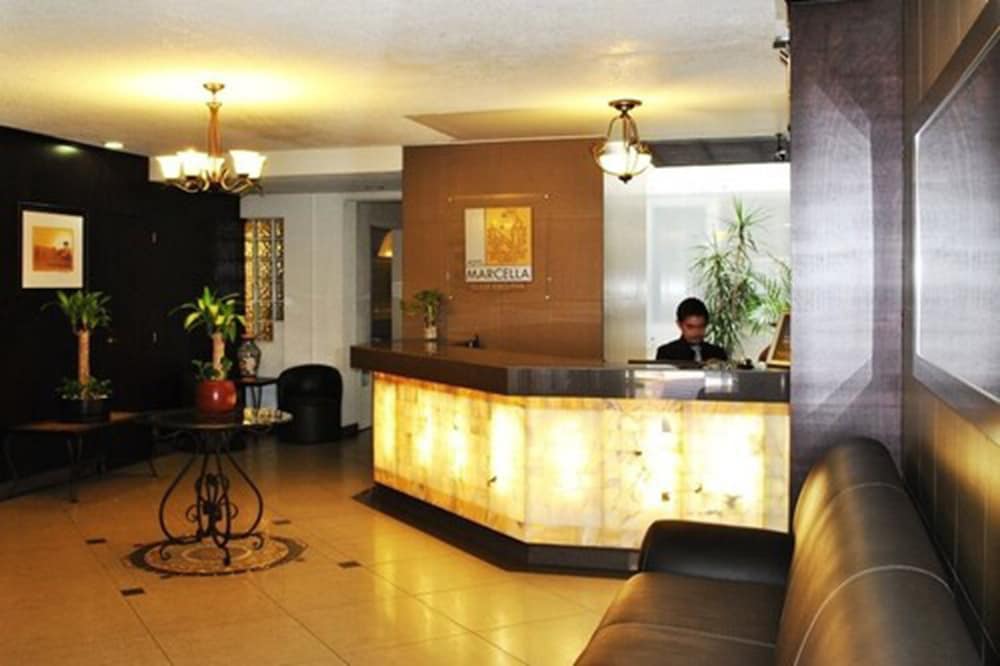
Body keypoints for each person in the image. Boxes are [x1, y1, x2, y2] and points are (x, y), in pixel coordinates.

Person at [655, 297, 728, 363]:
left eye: (701, 326)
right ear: (679, 325)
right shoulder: (666, 353)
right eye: (690, 327)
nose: (696, 332)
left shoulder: (718, 353)